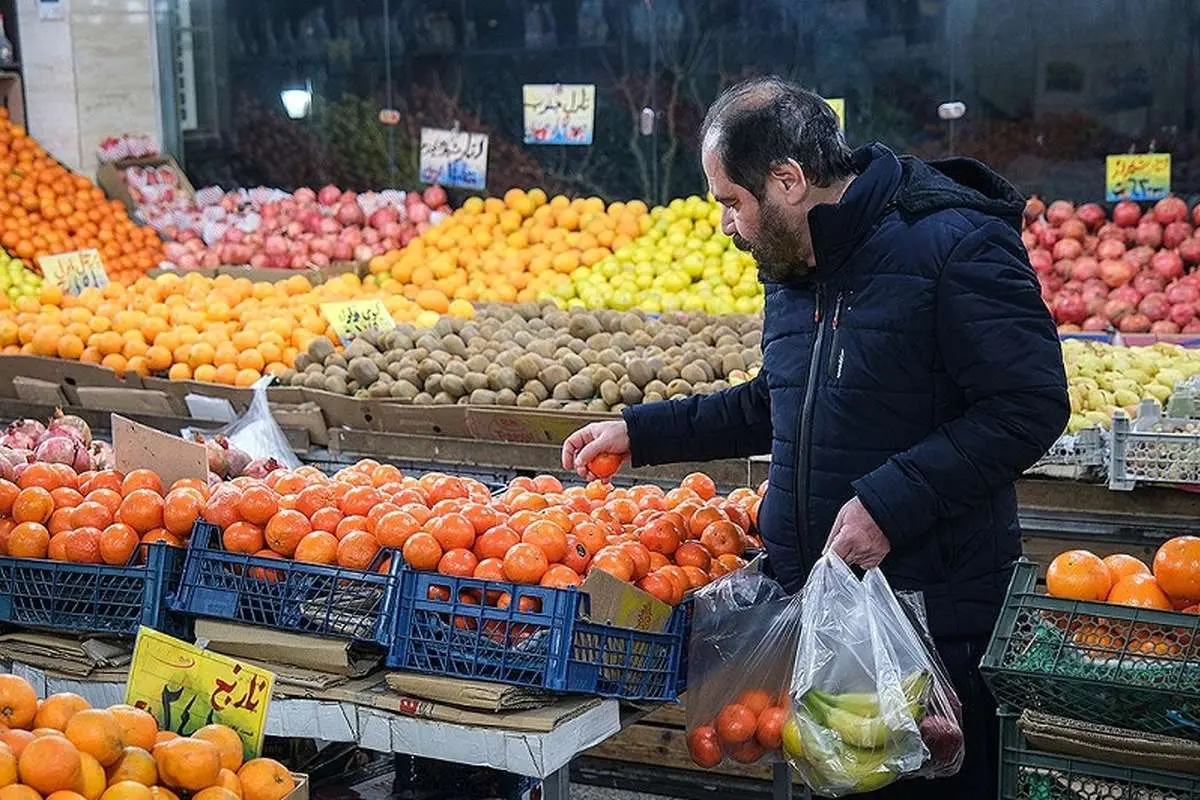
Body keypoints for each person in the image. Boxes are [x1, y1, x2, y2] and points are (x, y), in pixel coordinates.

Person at [561, 76, 1068, 796]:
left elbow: (1029, 405)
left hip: (933, 628)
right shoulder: (797, 268)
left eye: (732, 203)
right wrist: (640, 432)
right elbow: (784, 401)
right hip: (831, 627)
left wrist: (890, 505)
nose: (729, 226)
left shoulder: (955, 244)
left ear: (789, 180)